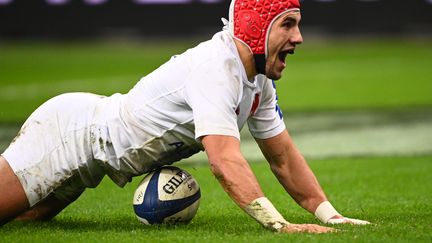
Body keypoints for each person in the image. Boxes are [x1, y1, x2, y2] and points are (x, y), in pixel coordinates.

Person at [0, 0, 370, 232]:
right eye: (288, 24)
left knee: (24, 225)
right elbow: (224, 161)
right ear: (258, 28)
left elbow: (283, 157)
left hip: (93, 161)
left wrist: (330, 215)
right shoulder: (216, 68)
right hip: (69, 136)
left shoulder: (258, 80)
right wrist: (280, 225)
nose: (299, 37)